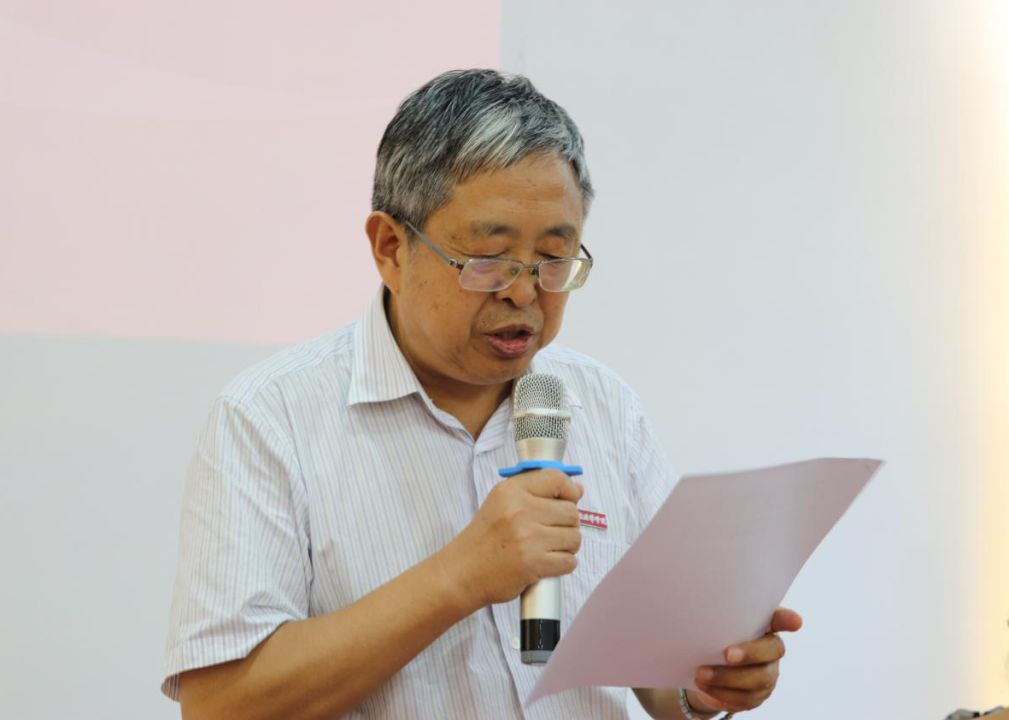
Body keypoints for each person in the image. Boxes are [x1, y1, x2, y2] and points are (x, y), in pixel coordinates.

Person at [161, 68, 802, 719]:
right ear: (390, 248)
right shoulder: (268, 419)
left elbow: (656, 672)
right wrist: (458, 577)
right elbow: (219, 705)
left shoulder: (604, 406)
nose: (524, 293)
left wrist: (703, 682)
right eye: (489, 261)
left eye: (553, 259)